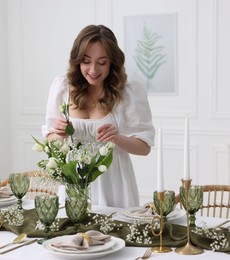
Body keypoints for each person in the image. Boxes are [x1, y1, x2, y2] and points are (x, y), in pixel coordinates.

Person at [42, 24, 155, 208]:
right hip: (74, 185)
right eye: (86, 61)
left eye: (102, 62)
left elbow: (144, 148)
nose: (93, 70)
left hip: (115, 185)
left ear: (112, 62)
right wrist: (59, 135)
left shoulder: (128, 93)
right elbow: (49, 142)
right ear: (77, 60)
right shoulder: (62, 88)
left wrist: (117, 138)